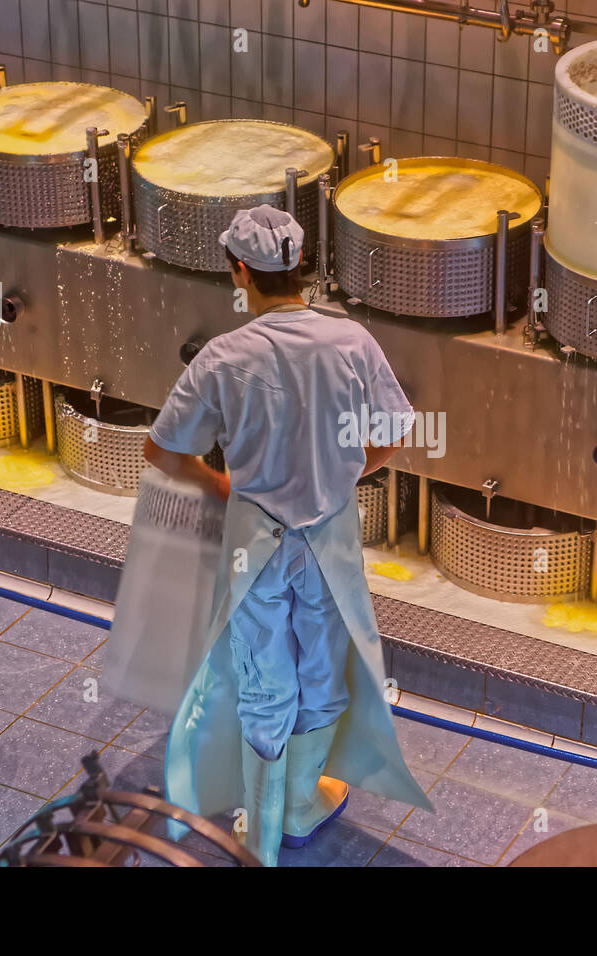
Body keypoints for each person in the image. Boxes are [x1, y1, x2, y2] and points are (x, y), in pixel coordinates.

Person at [142, 205, 431, 866]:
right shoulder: (351, 342)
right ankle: (301, 806)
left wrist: (218, 484)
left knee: (263, 677)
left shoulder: (225, 356)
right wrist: (345, 471)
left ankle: (260, 835)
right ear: (300, 267)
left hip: (256, 537)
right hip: (328, 533)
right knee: (324, 667)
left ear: (241, 270)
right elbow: (394, 432)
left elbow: (161, 451)